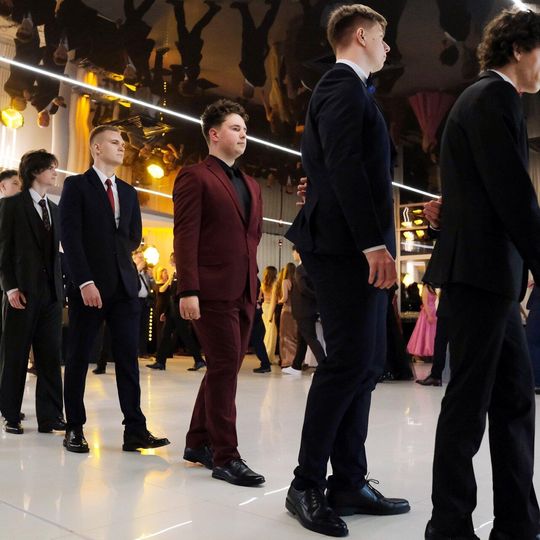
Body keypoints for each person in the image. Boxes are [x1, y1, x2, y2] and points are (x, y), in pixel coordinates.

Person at [284, 5, 409, 537]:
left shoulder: (350, 90)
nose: (387, 47)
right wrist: (372, 244)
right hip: (344, 249)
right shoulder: (341, 85)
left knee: (367, 364)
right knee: (348, 365)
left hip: (350, 245)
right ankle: (306, 484)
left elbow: (333, 166)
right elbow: (344, 165)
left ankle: (349, 482)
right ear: (361, 35)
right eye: (383, 37)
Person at [422, 8, 540, 540]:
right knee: (468, 407)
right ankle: (448, 527)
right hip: (481, 276)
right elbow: (513, 194)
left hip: (489, 277)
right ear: (518, 48)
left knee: (513, 400)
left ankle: (518, 522)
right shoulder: (494, 97)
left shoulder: (480, 99)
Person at [59, 125, 169, 454]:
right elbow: (70, 237)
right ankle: (74, 427)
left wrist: (118, 261)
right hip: (89, 286)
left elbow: (133, 236)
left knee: (128, 359)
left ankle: (135, 429)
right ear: (96, 148)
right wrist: (84, 281)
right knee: (79, 357)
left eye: (123, 143)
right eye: (114, 142)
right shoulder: (77, 186)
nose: (122, 147)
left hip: (124, 287)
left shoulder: (128, 192)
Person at [173, 99, 264, 486]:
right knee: (225, 366)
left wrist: (255, 284)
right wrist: (188, 289)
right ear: (213, 134)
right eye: (234, 128)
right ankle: (226, 456)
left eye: (244, 129)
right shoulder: (195, 176)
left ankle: (198, 442)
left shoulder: (252, 185)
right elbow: (185, 235)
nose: (243, 134)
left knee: (223, 367)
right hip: (209, 291)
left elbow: (252, 239)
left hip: (244, 290)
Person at [0, 150, 64, 435]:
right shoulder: (11, 205)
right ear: (36, 171)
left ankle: (50, 416)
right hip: (21, 293)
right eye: (51, 168)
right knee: (15, 354)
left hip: (51, 295)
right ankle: (11, 414)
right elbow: (3, 250)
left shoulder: (55, 209)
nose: (55, 173)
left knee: (50, 356)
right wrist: (10, 287)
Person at [146, 254, 206, 371]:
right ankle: (160, 361)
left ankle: (199, 360)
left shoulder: (182, 275)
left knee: (185, 335)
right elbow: (171, 295)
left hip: (178, 309)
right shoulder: (174, 274)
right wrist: (166, 312)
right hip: (172, 309)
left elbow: (178, 294)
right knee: (165, 334)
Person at [282, 247, 324, 376]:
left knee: (311, 338)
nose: (293, 254)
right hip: (309, 309)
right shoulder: (312, 268)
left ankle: (324, 367)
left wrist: (317, 297)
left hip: (304, 310)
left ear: (299, 252)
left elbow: (303, 288)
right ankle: (296, 367)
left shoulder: (300, 269)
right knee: (302, 339)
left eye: (294, 252)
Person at [406, 284, 438, 360]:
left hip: (433, 311)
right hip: (427, 312)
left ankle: (432, 352)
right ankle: (424, 353)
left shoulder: (433, 287)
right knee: (425, 332)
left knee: (432, 333)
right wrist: (429, 315)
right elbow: (425, 302)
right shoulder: (426, 287)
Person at [279, 262, 297, 368]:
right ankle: (296, 360)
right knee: (294, 336)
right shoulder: (297, 281)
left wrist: (278, 301)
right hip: (296, 311)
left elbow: (285, 298)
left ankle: (287, 360)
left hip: (286, 311)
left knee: (285, 336)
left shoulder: (285, 281)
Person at [260, 266, 278, 363]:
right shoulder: (275, 284)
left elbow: (259, 298)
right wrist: (271, 315)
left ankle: (265, 356)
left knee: (266, 333)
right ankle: (269, 356)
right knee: (271, 334)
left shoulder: (263, 284)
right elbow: (274, 301)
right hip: (271, 309)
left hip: (264, 308)